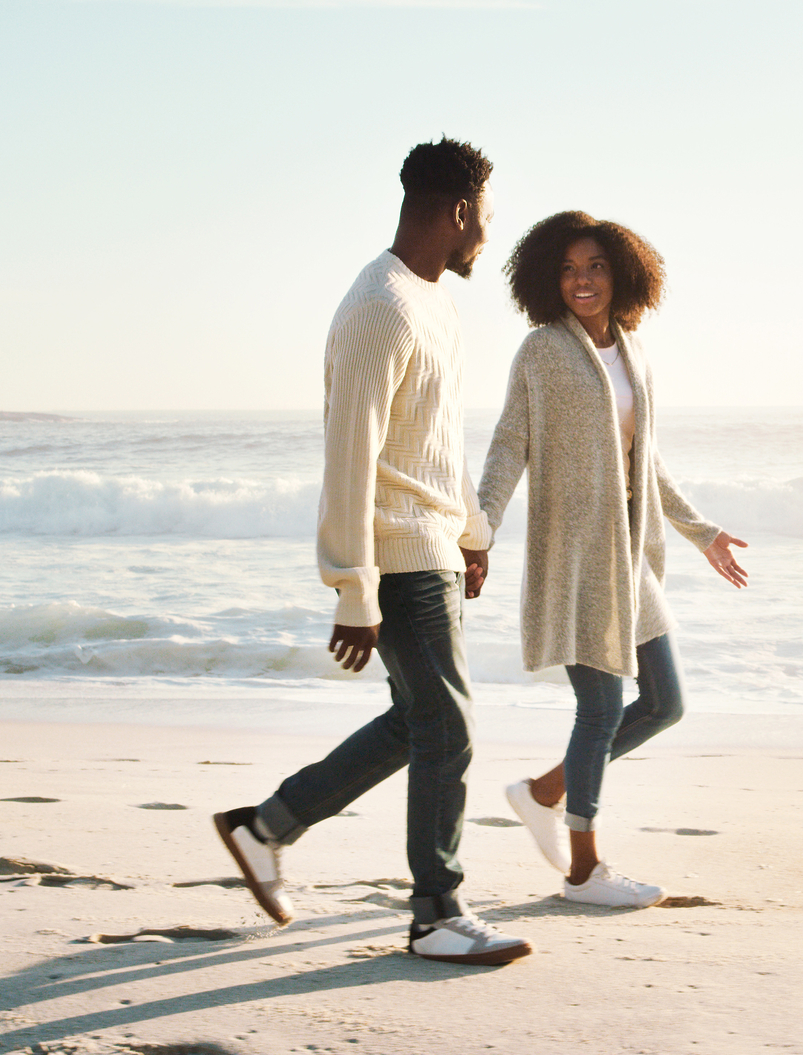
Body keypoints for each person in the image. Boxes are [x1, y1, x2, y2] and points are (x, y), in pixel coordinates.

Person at [212, 138, 531, 966]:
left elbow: (434, 439)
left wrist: (470, 530)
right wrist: (353, 587)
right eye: (486, 218)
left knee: (419, 720)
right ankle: (436, 913)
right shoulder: (377, 308)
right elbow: (350, 454)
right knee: (448, 726)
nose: (488, 238)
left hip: (430, 544)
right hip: (393, 556)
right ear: (459, 211)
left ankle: (266, 826)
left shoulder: (434, 304)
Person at [477, 210, 749, 907]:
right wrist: (482, 524)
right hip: (577, 557)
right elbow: (512, 442)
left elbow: (645, 459)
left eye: (595, 265)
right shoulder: (542, 351)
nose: (582, 280)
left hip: (631, 557)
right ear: (549, 278)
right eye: (568, 268)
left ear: (621, 272)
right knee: (599, 709)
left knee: (664, 702)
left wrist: (701, 530)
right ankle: (583, 868)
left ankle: (544, 790)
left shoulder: (632, 352)